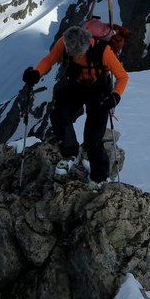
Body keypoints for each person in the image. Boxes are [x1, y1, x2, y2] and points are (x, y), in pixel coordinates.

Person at [22, 24, 128, 186]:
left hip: (98, 90)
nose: (74, 56)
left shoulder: (103, 52)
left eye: (78, 53)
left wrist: (115, 96)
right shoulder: (63, 44)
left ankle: (99, 177)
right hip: (75, 86)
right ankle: (71, 153)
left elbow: (122, 76)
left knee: (93, 138)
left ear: (87, 45)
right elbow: (49, 59)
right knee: (59, 116)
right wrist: (36, 73)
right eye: (72, 53)